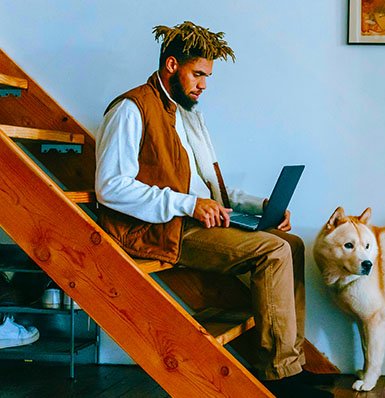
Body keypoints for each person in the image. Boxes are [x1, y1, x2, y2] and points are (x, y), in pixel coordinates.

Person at [94, 21, 333, 398]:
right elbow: (110, 188)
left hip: (192, 220)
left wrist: (262, 206)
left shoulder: (188, 113)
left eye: (207, 75)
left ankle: (294, 363)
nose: (204, 84)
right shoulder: (130, 109)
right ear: (171, 65)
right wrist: (189, 204)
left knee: (293, 244)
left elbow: (209, 185)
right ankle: (280, 377)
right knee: (273, 252)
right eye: (198, 74)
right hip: (160, 229)